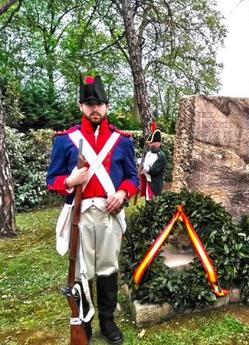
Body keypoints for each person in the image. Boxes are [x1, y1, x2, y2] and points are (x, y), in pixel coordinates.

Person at [47, 74, 139, 344]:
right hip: (80, 217)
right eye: (89, 104)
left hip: (109, 216)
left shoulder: (121, 141)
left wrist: (122, 192)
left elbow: (133, 177)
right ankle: (84, 321)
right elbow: (52, 180)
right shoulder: (66, 140)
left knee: (108, 268)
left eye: (99, 103)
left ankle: (107, 322)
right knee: (80, 271)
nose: (94, 108)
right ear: (81, 107)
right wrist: (69, 181)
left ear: (106, 106)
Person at [139, 121, 167, 199]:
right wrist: (140, 163)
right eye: (150, 143)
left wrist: (144, 166)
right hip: (147, 181)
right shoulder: (148, 153)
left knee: (152, 200)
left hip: (155, 183)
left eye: (153, 143)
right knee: (147, 198)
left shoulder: (161, 156)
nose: (151, 145)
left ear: (158, 143)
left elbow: (155, 171)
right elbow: (145, 164)